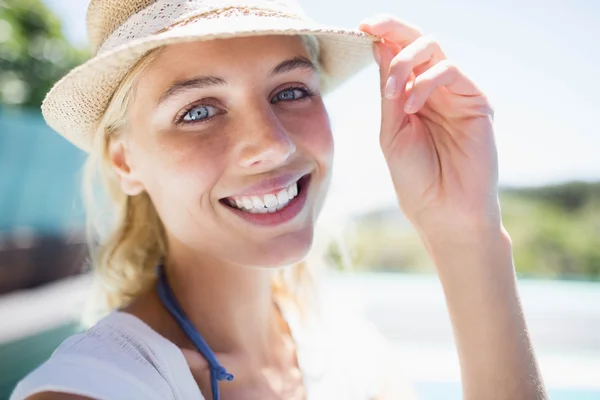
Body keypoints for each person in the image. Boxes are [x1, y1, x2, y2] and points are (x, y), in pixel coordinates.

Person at [12, 0, 548, 399]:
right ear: (125, 161)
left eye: (290, 91)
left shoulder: (343, 345)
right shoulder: (95, 388)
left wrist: (467, 232)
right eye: (198, 110)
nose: (272, 145)